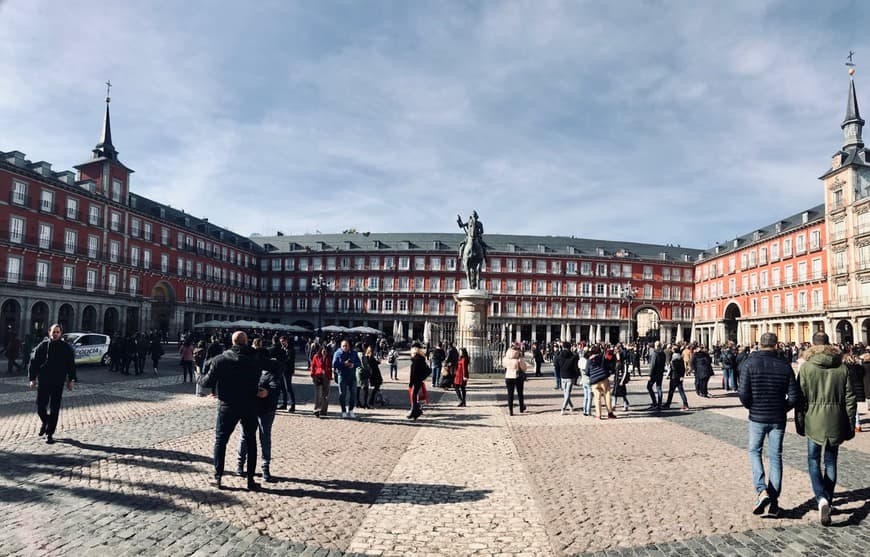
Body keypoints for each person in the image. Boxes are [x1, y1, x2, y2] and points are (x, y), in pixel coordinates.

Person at [795, 332, 857, 526]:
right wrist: (850, 423)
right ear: (829, 344)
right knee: (831, 461)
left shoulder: (806, 368)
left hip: (813, 420)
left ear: (812, 345)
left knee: (813, 459)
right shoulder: (842, 367)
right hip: (836, 420)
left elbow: (800, 399)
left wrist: (799, 422)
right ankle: (828, 500)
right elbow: (850, 399)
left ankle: (821, 498)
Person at [737, 332, 800, 518]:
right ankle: (774, 502)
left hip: (757, 417)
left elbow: (743, 393)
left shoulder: (749, 364)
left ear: (759, 344)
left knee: (755, 452)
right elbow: (794, 396)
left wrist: (752, 406)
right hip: (778, 418)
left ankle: (761, 490)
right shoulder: (785, 365)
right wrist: (782, 409)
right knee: (776, 457)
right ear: (776, 345)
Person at [198, 331, 267, 491]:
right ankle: (250, 480)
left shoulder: (221, 359)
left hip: (227, 405)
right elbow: (276, 367)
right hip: (249, 405)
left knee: (221, 441)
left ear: (232, 342)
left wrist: (198, 376)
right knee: (251, 442)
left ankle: (218, 477)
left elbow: (207, 382)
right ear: (246, 341)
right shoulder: (256, 359)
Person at [236, 337, 281, 483]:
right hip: (249, 407)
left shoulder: (273, 372)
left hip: (266, 408)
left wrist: (266, 392)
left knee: (264, 437)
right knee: (244, 436)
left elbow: (275, 389)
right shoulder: (250, 370)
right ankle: (240, 464)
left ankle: (265, 467)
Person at [28, 324, 76, 444]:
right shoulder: (43, 345)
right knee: (40, 407)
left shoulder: (66, 347)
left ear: (61, 333)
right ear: (49, 332)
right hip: (44, 380)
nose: (55, 334)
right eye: (53, 332)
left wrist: (71, 380)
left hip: (58, 381)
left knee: (55, 408)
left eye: (57, 332)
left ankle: (50, 433)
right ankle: (46, 421)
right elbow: (33, 362)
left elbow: (71, 364)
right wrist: (32, 378)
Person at [332, 339, 361, 419]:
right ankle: (343, 411)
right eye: (343, 346)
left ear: (349, 346)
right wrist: (344, 364)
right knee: (342, 394)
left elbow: (359, 363)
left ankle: (351, 410)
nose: (345, 347)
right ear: (341, 346)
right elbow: (334, 364)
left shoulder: (354, 353)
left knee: (353, 393)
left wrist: (353, 365)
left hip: (352, 376)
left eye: (346, 345)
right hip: (342, 376)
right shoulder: (337, 353)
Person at [588, 347, 616, 420]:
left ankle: (598, 415)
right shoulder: (603, 358)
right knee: (607, 395)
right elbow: (609, 366)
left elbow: (587, 371)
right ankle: (610, 413)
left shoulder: (589, 360)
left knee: (597, 398)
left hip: (594, 381)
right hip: (603, 379)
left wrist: (591, 375)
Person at [271, 335, 296, 413]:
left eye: (283, 342)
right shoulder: (281, 349)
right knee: (283, 388)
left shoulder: (291, 349)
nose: (282, 343)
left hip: (288, 370)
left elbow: (289, 360)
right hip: (281, 370)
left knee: (288, 388)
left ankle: (293, 405)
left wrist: (280, 360)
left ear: (286, 341)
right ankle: (284, 404)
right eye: (281, 342)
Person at [502, 343, 528, 415]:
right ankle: (521, 407)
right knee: (520, 393)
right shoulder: (519, 358)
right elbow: (524, 367)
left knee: (510, 394)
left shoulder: (506, 358)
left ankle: (511, 410)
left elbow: (503, 364)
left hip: (508, 377)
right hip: (517, 377)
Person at [555, 343, 578, 414]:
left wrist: (558, 374)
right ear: (570, 347)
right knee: (567, 393)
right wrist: (576, 377)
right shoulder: (573, 356)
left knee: (565, 393)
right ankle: (563, 408)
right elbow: (575, 368)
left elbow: (556, 366)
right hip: (570, 376)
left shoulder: (559, 356)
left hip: (562, 376)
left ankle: (571, 406)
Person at [408, 341, 429, 419]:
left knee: (414, 396)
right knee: (415, 396)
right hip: (419, 380)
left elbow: (413, 373)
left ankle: (415, 411)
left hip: (416, 381)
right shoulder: (421, 358)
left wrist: (411, 382)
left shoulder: (416, 359)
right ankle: (415, 411)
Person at [310, 344, 332, 417]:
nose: (324, 352)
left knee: (325, 394)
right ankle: (316, 409)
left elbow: (330, 366)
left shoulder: (329, 357)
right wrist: (313, 375)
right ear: (321, 350)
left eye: (325, 351)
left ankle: (324, 410)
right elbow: (313, 366)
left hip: (326, 376)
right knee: (318, 394)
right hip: (318, 376)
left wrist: (328, 373)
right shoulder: (316, 356)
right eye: (323, 350)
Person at [647, 341, 666, 410]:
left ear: (656, 345)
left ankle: (654, 402)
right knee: (659, 388)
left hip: (654, 373)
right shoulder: (663, 353)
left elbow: (652, 364)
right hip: (660, 373)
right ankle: (659, 404)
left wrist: (650, 374)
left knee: (649, 387)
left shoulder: (655, 353)